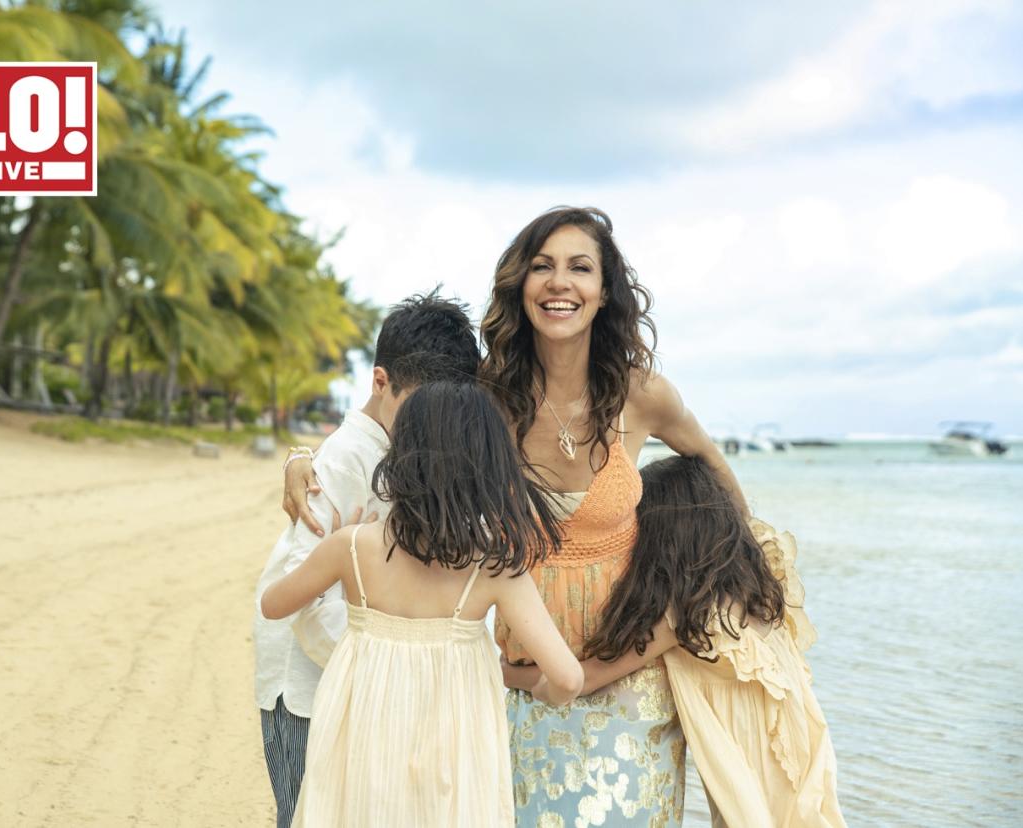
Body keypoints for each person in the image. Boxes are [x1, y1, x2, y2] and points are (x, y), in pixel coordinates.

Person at [285, 206, 745, 824]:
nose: (560, 282)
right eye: (542, 266)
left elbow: (713, 470)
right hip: (514, 679)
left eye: (580, 268)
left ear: (605, 291)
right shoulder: (487, 399)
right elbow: (402, 438)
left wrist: (745, 557)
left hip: (630, 677)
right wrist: (303, 458)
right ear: (519, 286)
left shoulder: (645, 394)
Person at [262, 381, 585, 826]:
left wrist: (334, 560)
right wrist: (533, 687)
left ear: (400, 456)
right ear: (489, 466)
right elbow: (567, 679)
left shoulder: (352, 546)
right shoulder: (495, 569)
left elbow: (273, 605)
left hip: (362, 743)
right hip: (453, 747)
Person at [504, 455, 846, 828]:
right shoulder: (758, 587)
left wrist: (508, 673)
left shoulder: (684, 615)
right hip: (800, 747)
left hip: (747, 764)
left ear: (661, 536)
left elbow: (584, 679)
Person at [252, 292, 481, 828]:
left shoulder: (411, 448)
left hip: (365, 678)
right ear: (380, 382)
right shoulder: (342, 458)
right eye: (420, 404)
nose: (433, 421)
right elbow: (301, 595)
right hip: (308, 685)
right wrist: (391, 676)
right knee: (308, 812)